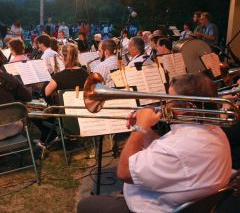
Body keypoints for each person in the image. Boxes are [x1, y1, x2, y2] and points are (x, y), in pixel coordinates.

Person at [77, 73, 232, 213]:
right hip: (182, 202)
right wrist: (144, 130)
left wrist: (139, 128)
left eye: (170, 100)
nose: (164, 105)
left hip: (147, 208)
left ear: (187, 108)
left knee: (86, 205)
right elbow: (166, 153)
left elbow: (123, 172)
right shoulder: (214, 130)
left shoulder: (177, 146)